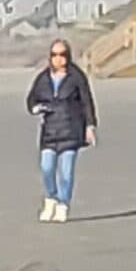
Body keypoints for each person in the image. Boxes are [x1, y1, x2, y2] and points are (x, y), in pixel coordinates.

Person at [27, 38, 96, 223]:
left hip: (71, 131)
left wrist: (90, 126)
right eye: (55, 55)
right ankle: (51, 198)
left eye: (62, 54)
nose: (59, 58)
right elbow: (31, 100)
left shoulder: (76, 77)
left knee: (66, 172)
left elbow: (87, 102)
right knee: (47, 168)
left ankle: (63, 204)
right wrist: (36, 108)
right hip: (50, 132)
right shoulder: (43, 78)